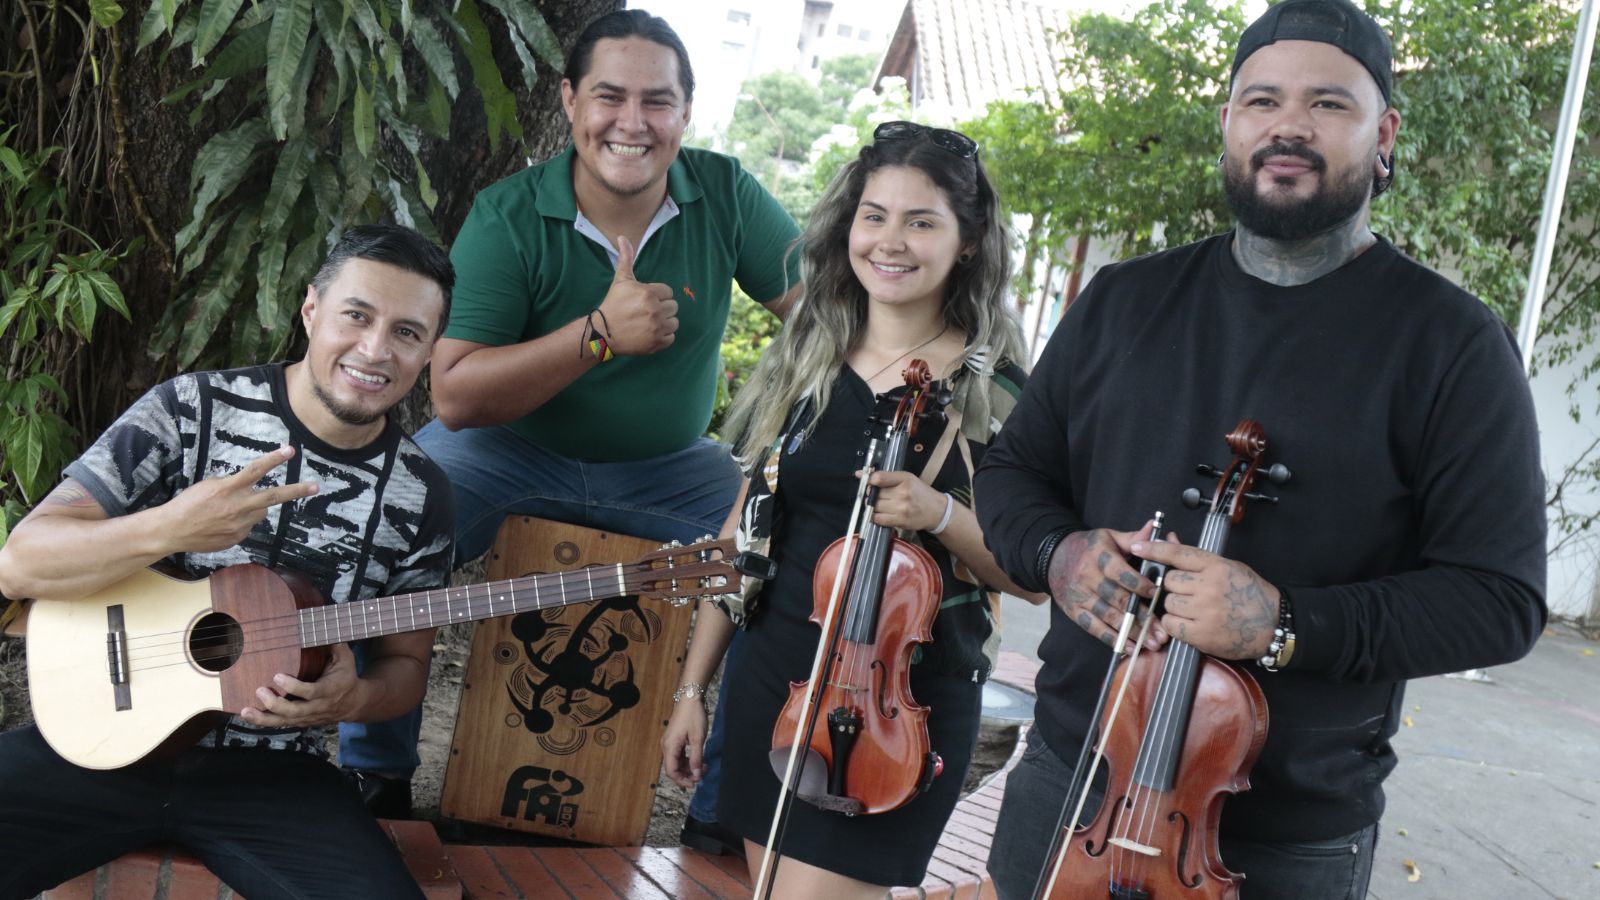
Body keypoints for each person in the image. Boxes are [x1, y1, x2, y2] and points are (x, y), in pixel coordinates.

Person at [974, 2, 1547, 899]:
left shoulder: (1451, 345)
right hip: (1070, 783)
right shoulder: (1124, 301)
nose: (1289, 126)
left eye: (1328, 104)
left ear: (1383, 131)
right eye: (1262, 101)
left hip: (1283, 834)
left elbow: (1500, 601)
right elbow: (1010, 474)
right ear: (1229, 124)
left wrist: (1284, 624)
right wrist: (1059, 551)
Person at [338, 8, 802, 839]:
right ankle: (373, 773)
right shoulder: (510, 213)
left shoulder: (725, 192)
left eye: (656, 102)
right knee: (395, 515)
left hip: (671, 467)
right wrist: (596, 336)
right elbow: (453, 396)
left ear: (685, 113)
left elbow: (824, 321)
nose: (632, 123)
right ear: (569, 100)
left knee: (788, 559)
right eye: (609, 96)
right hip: (511, 452)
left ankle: (721, 814)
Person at [0, 225, 456, 900]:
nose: (374, 349)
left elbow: (405, 668)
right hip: (97, 743)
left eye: (406, 333)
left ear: (428, 351)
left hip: (275, 777)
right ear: (311, 310)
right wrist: (172, 526)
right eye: (356, 316)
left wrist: (355, 696)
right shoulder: (190, 410)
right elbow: (20, 565)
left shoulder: (422, 494)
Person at [660, 121, 1046, 898]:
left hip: (904, 706)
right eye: (875, 216)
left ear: (967, 241)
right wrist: (694, 691)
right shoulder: (809, 356)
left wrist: (939, 514)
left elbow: (1033, 577)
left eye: (921, 221)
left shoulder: (996, 390)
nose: (890, 241)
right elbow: (744, 537)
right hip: (775, 681)